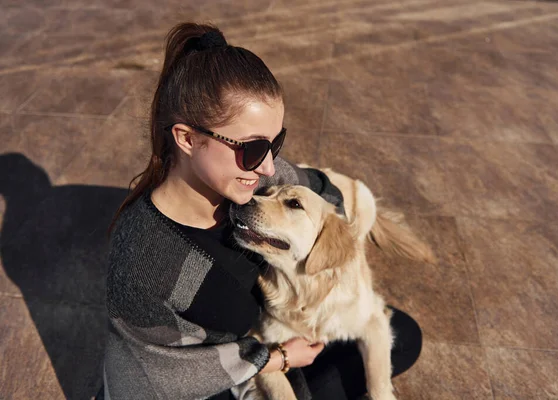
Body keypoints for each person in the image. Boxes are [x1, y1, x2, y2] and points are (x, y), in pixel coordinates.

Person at [102, 22, 422, 400]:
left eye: (276, 144)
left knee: (404, 336)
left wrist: (343, 237)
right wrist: (276, 358)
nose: (269, 167)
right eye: (253, 149)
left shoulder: (256, 180)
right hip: (217, 377)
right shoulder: (141, 258)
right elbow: (152, 378)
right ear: (187, 138)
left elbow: (321, 189)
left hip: (277, 340)